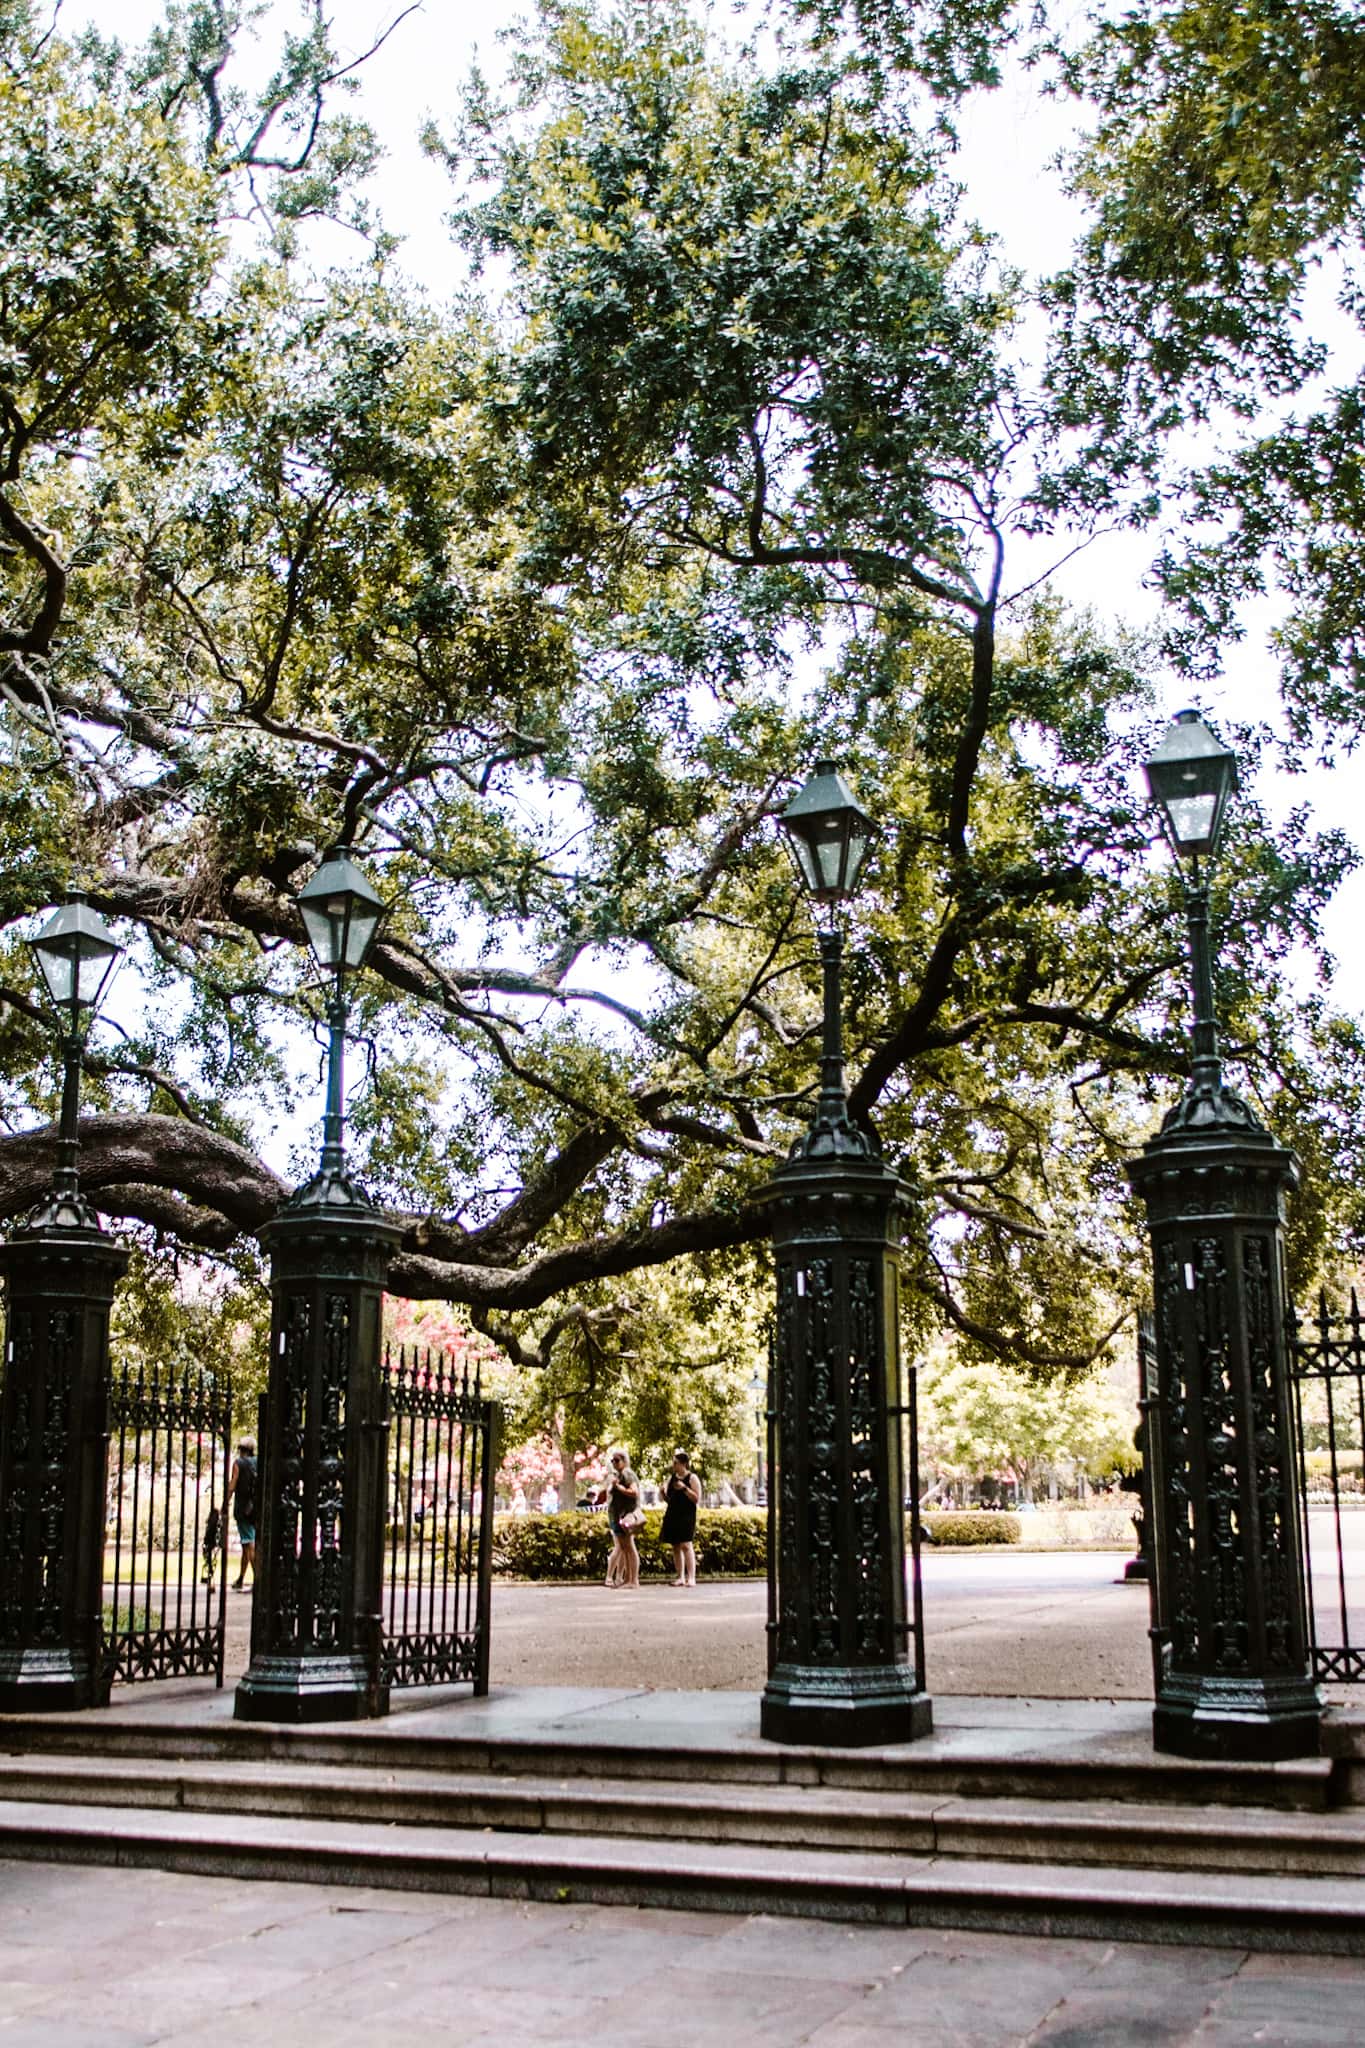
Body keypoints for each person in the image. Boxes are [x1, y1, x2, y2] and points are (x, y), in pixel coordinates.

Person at [661, 1449, 701, 1587]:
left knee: (686, 1544)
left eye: (676, 1463)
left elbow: (696, 1498)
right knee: (676, 1546)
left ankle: (691, 1577)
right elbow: (670, 1499)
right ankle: (680, 1576)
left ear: (684, 1463)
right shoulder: (672, 1478)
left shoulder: (692, 1478)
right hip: (673, 1513)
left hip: (687, 1514)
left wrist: (684, 1488)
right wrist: (663, 1494)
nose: (674, 1465)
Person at [223, 1437, 257, 1591]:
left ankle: (258, 1580)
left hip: (242, 1508)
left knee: (249, 1544)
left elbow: (233, 1484)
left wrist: (226, 1502)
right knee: (246, 1544)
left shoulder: (238, 1463)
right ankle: (241, 1579)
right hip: (255, 1508)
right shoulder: (258, 1462)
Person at [605, 1449, 641, 1589]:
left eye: (617, 1460)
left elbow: (634, 1492)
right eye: (612, 1460)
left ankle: (634, 1580)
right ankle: (627, 1579)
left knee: (629, 1547)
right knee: (625, 1548)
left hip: (626, 1514)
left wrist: (618, 1487)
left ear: (624, 1461)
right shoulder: (619, 1474)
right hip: (618, 1514)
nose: (614, 1463)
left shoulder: (627, 1473)